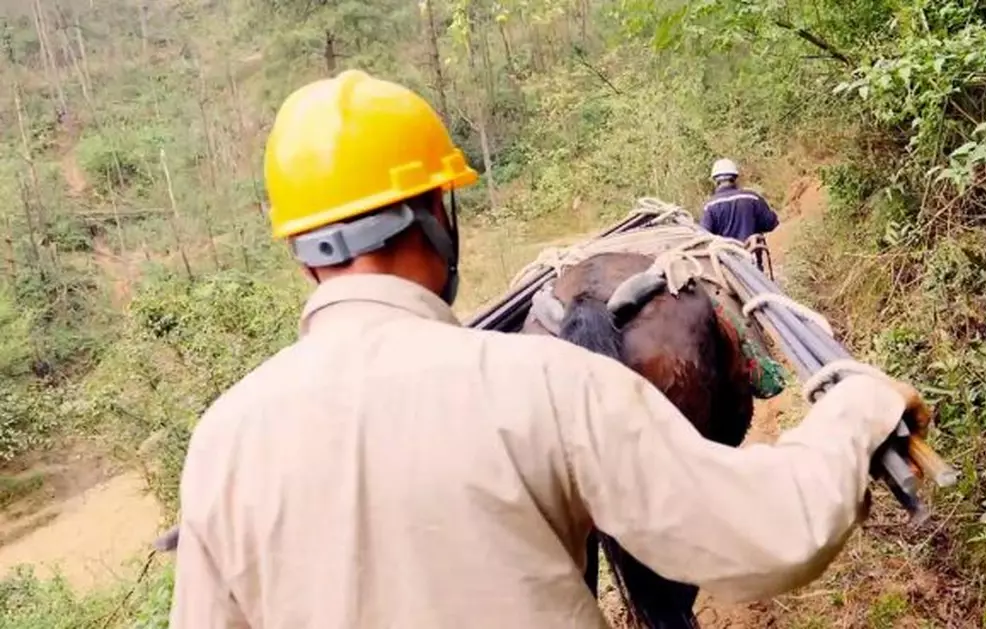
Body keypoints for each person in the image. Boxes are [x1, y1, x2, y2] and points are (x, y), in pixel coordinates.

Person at [168, 69, 932, 629]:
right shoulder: (544, 385)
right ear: (438, 210)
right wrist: (858, 409)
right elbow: (771, 532)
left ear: (301, 250)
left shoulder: (221, 444)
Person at [700, 158, 780, 242]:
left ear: (715, 181)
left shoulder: (710, 206)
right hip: (752, 249)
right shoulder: (752, 197)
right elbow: (771, 223)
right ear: (735, 178)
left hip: (725, 250)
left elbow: (705, 236)